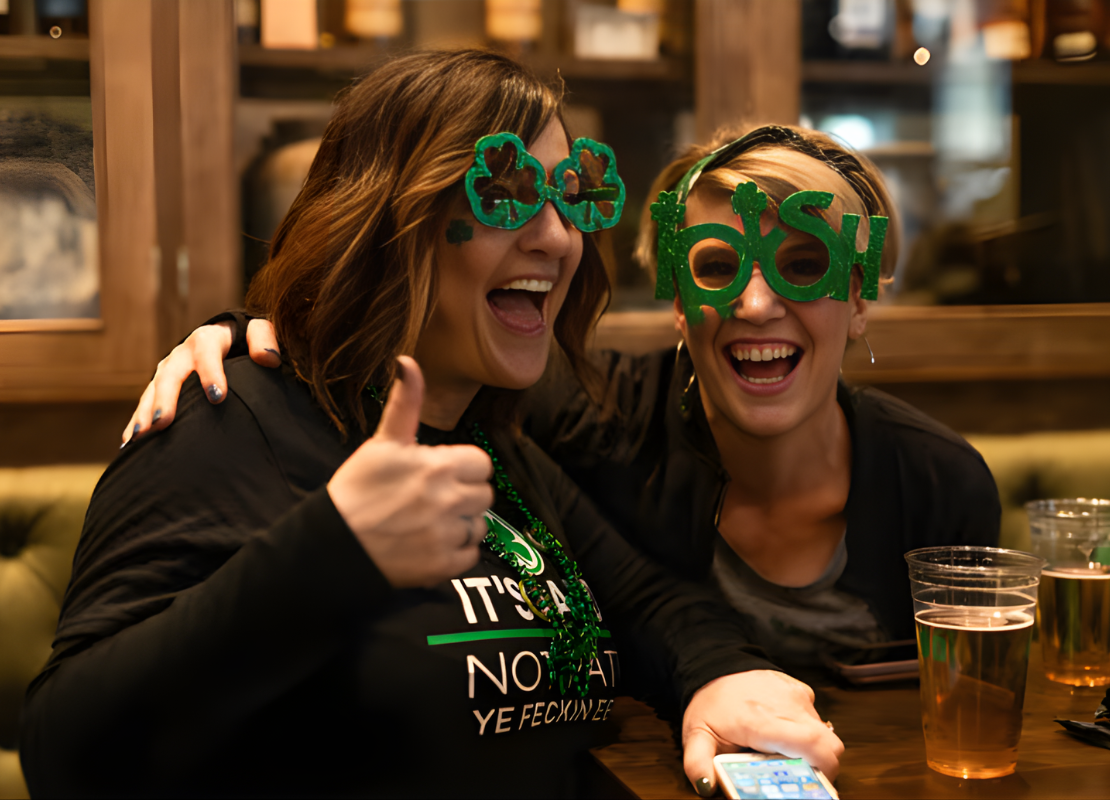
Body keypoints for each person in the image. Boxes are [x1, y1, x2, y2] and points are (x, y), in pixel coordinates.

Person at [22, 51, 842, 799]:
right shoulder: (228, 419)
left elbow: (653, 601)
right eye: (509, 192)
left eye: (567, 198)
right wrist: (330, 551)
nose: (558, 239)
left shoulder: (494, 442)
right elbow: (65, 750)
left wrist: (718, 677)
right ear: (387, 217)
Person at [139, 123, 1001, 673]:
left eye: (804, 265)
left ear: (859, 300)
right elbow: (423, 333)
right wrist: (255, 329)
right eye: (715, 266)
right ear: (676, 299)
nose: (756, 303)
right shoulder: (594, 419)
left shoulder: (939, 482)